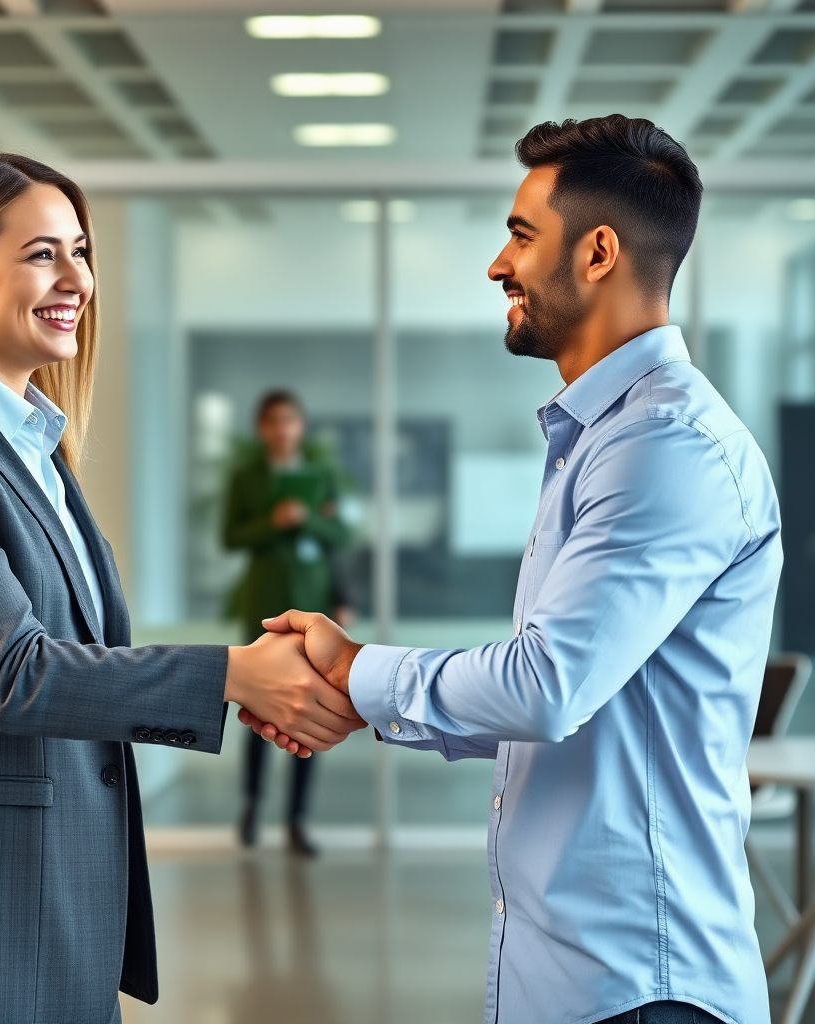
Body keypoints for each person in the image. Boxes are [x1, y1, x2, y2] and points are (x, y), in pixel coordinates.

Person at [243, 115, 781, 1024]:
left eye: (522, 234)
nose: (499, 264)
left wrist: (357, 672)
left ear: (599, 251)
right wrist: (366, 692)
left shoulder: (665, 448)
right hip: (578, 978)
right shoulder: (602, 439)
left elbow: (547, 687)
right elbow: (575, 703)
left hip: (642, 990)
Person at [0, 150, 364, 1024]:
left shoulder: (37, 451)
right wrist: (235, 676)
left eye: (82, 251)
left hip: (66, 893)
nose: (78, 279)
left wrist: (249, 683)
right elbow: (15, 674)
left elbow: (88, 662)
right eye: (42, 254)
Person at [223, 390, 351, 856]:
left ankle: (297, 820)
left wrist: (310, 522)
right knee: (259, 709)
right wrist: (272, 522)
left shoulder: (320, 478)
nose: (283, 430)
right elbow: (231, 536)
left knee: (309, 712)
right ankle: (253, 807)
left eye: (290, 421)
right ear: (263, 429)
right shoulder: (247, 478)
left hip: (314, 606)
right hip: (264, 605)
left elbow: (338, 536)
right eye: (273, 422)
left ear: (300, 426)